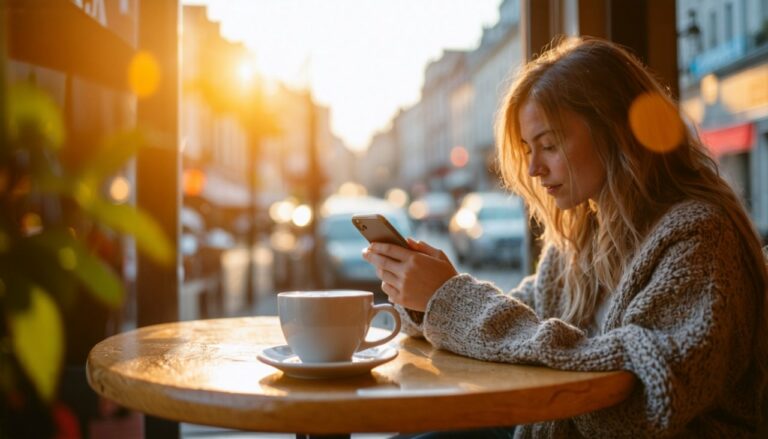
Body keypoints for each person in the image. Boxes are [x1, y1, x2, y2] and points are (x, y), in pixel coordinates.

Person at [363, 37, 768, 437]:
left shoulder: (701, 236)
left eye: (549, 145)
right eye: (527, 149)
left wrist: (450, 301)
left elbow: (646, 391)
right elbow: (524, 317)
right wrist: (427, 301)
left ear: (616, 132)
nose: (534, 168)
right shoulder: (579, 239)